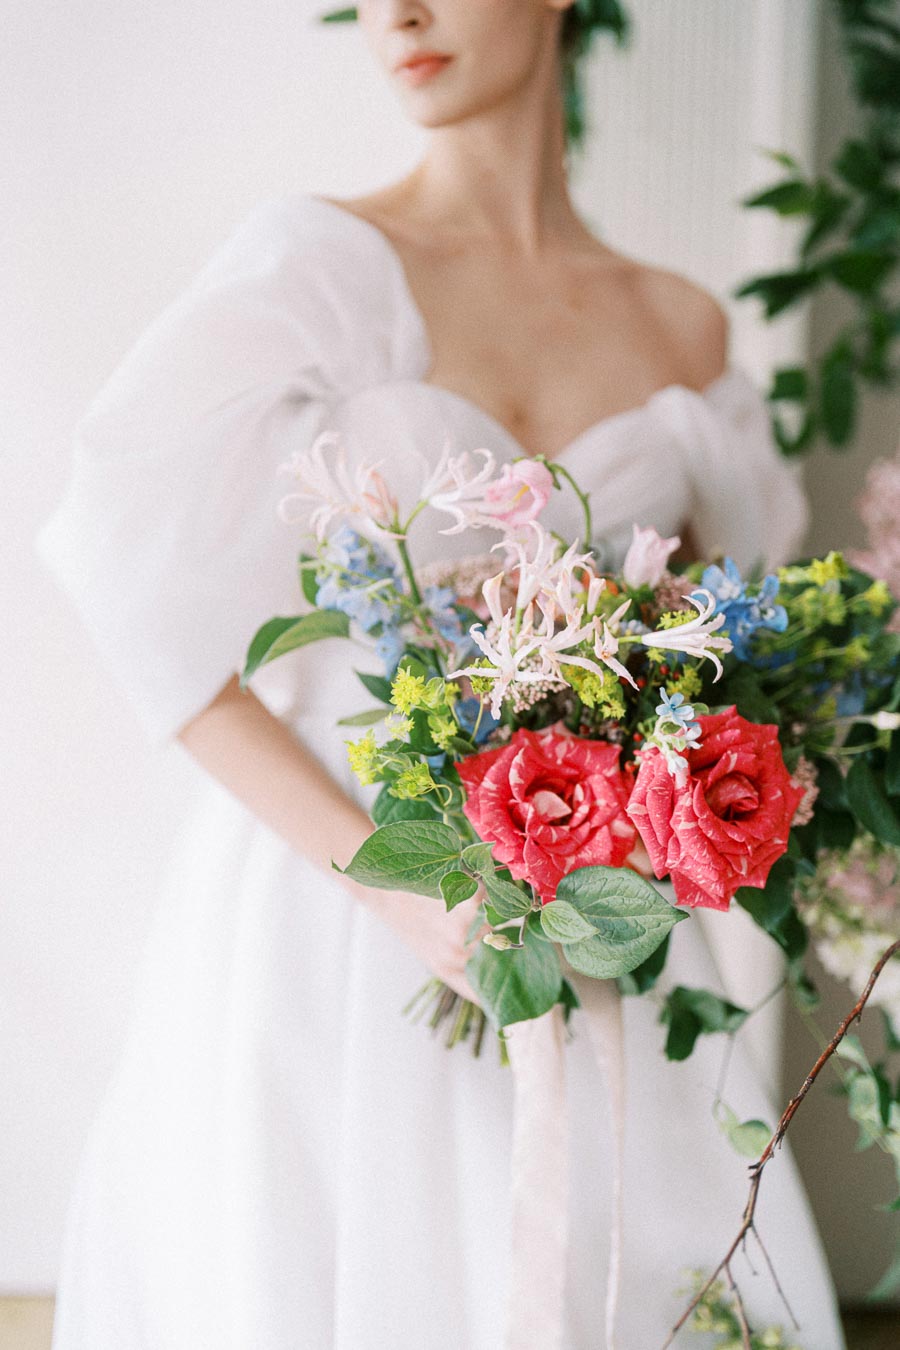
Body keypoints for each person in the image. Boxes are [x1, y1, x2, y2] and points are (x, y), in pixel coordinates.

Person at [35, 2, 847, 1346]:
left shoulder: (687, 330)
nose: (400, 11)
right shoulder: (318, 264)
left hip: (588, 921)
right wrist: (398, 883)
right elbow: (132, 581)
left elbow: (726, 666)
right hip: (326, 916)